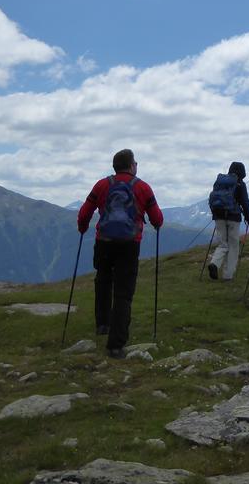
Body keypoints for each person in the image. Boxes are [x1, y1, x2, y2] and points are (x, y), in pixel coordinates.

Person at [76, 148, 163, 358]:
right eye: (135, 163)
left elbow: (85, 212)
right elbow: (157, 218)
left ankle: (102, 325)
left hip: (104, 241)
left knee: (103, 281)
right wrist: (155, 223)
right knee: (123, 292)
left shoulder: (102, 185)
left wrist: (82, 227)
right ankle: (115, 345)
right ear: (132, 165)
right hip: (129, 245)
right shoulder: (142, 187)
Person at [207, 161, 249, 281]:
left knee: (223, 243)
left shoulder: (220, 182)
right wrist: (248, 217)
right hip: (234, 217)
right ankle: (228, 275)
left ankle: (214, 263)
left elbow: (212, 198)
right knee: (233, 245)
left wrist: (214, 214)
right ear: (242, 172)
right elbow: (245, 202)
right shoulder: (240, 184)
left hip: (218, 216)